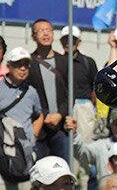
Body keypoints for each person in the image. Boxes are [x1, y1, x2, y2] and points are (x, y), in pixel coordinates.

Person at [0, 47, 44, 190]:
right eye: (18, 64)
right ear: (9, 66)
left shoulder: (31, 92)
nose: (23, 68)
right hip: (3, 153)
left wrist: (33, 136)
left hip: (25, 154)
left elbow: (39, 115)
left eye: (26, 64)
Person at [27, 18, 69, 161]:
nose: (45, 34)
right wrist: (44, 114)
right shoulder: (29, 63)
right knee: (38, 169)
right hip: (39, 128)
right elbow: (27, 95)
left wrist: (60, 114)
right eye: (40, 31)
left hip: (61, 128)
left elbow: (71, 93)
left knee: (63, 169)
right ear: (33, 37)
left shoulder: (64, 61)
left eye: (48, 30)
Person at [59, 25, 98, 143]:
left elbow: (95, 89)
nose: (68, 43)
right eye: (65, 39)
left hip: (83, 110)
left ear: (78, 42)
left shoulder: (88, 62)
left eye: (72, 40)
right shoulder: (57, 62)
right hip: (61, 110)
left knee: (85, 146)